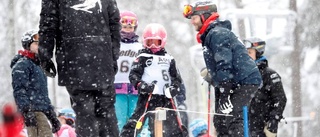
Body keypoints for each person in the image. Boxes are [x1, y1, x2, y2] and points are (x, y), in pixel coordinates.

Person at [38, 0, 121, 136]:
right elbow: (114, 23)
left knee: (84, 111)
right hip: (101, 57)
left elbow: (48, 24)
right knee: (106, 111)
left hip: (73, 58)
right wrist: (113, 55)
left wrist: (45, 56)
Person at [183, 1, 262, 136]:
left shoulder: (217, 33)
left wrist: (225, 89)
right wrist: (215, 79)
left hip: (244, 81)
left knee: (232, 118)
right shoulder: (211, 34)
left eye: (194, 18)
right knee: (220, 119)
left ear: (204, 16)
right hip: (233, 81)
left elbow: (224, 62)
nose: (192, 22)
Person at [120, 23, 187, 137]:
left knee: (173, 123)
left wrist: (174, 88)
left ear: (163, 42)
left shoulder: (169, 59)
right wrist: (142, 85)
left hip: (166, 97)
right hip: (148, 95)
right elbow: (133, 75)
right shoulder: (142, 57)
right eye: (149, 42)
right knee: (138, 120)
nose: (153, 46)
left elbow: (176, 78)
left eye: (156, 42)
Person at [10, 30, 61, 137]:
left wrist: (51, 115)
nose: (40, 46)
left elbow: (42, 95)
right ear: (27, 45)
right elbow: (19, 90)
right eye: (37, 43)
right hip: (33, 112)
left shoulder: (38, 66)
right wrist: (26, 111)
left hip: (41, 112)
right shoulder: (22, 65)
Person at [243, 37, 287, 137]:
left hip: (262, 129)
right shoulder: (242, 75)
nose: (246, 56)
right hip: (244, 128)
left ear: (258, 53)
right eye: (245, 53)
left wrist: (273, 122)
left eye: (249, 52)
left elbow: (280, 99)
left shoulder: (269, 75)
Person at [114, 10, 143, 131]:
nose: (127, 30)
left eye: (130, 27)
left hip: (135, 89)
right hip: (117, 88)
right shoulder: (114, 45)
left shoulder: (140, 47)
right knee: (119, 121)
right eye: (124, 27)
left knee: (136, 122)